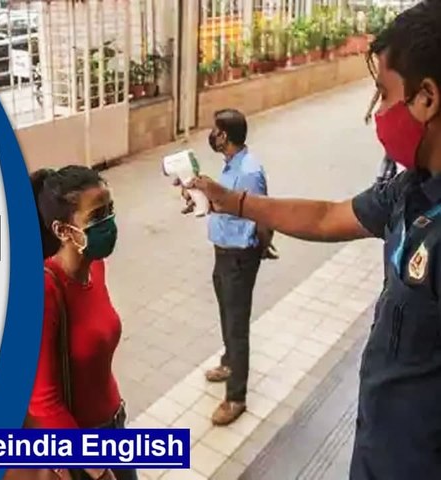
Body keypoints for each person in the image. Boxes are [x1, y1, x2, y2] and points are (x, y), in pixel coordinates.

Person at [177, 1, 441, 477]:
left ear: (427, 98)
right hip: (377, 443)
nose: (377, 112)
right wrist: (229, 200)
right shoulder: (411, 189)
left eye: (384, 94)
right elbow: (326, 217)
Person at [27, 166, 136, 480]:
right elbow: (43, 401)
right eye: (97, 215)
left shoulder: (96, 266)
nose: (109, 223)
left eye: (110, 210)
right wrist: (96, 470)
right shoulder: (45, 292)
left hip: (115, 424)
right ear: (63, 230)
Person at [199, 109, 276, 426]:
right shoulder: (231, 164)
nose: (212, 136)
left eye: (216, 131)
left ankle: (236, 397)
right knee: (226, 313)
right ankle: (228, 361)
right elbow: (228, 203)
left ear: (226, 136)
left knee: (236, 324)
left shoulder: (249, 171)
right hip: (223, 252)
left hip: (239, 256)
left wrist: (263, 245)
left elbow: (264, 213)